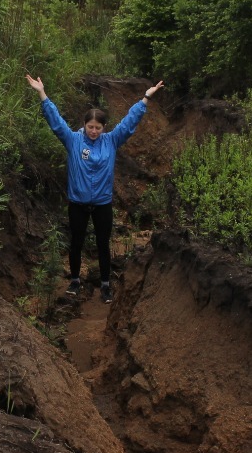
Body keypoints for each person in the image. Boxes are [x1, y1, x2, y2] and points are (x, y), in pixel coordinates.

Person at [25, 75, 164, 303]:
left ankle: (106, 284)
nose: (93, 131)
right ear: (84, 125)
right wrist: (42, 94)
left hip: (102, 204)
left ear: (103, 127)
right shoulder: (73, 141)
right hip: (78, 203)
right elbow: (56, 122)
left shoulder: (111, 140)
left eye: (98, 127)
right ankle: (75, 281)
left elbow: (129, 123)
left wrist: (145, 98)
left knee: (103, 243)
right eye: (90, 127)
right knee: (76, 242)